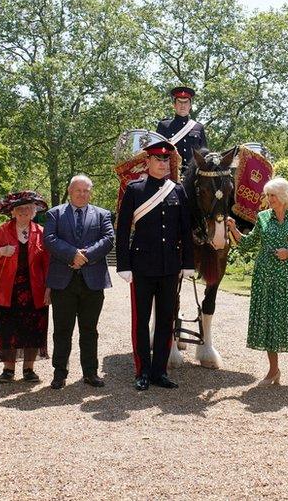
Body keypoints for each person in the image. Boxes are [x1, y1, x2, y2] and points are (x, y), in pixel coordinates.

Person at [116, 139, 195, 390]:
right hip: (141, 267)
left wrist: (188, 263)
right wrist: (124, 265)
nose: (162, 164)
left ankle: (160, 372)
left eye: (166, 160)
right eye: (158, 160)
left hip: (169, 267)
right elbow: (122, 231)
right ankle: (142, 371)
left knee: (165, 321)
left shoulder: (177, 190)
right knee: (141, 322)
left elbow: (185, 230)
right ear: (147, 161)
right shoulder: (134, 189)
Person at [227, 177, 288, 391]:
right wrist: (233, 229)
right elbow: (247, 244)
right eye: (268, 195)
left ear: (283, 196)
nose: (269, 199)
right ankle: (273, 370)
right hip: (265, 276)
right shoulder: (262, 217)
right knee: (269, 321)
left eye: (273, 195)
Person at [44, 175, 114, 389]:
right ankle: (59, 373)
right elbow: (49, 239)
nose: (82, 194)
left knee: (89, 330)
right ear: (70, 191)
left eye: (86, 191)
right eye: (78, 191)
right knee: (62, 330)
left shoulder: (102, 214)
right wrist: (72, 254)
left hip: (92, 281)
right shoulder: (54, 214)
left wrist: (85, 257)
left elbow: (108, 239)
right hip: (63, 281)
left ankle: (90, 373)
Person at [0, 191, 50, 384]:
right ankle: (8, 369)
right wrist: (0, 251)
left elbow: (48, 262)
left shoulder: (42, 232)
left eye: (28, 208)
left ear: (34, 211)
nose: (23, 211)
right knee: (7, 329)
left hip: (34, 290)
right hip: (7, 291)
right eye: (19, 208)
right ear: (12, 212)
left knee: (33, 329)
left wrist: (49, 288)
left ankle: (29, 369)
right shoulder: (1, 231)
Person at [155, 86, 208, 169]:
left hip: (192, 175)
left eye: (186, 102)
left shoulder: (198, 127)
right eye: (179, 102)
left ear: (190, 106)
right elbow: (156, 152)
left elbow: (204, 153)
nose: (182, 106)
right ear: (174, 105)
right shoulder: (164, 125)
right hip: (170, 172)